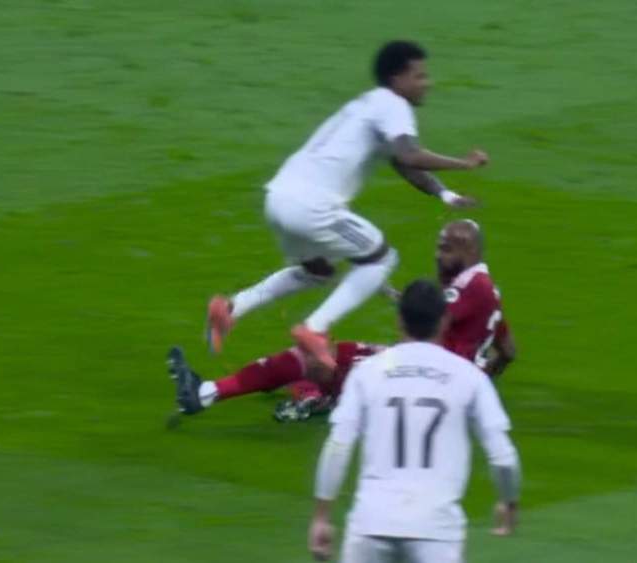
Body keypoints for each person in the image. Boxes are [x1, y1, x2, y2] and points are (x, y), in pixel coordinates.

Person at [205, 40, 489, 370]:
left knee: (318, 272)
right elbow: (410, 154)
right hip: (313, 206)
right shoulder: (393, 105)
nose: (427, 83)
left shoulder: (367, 105)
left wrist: (444, 194)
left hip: (278, 199)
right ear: (397, 79)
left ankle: (232, 308)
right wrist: (464, 164)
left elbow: (403, 164)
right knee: (382, 258)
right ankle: (315, 328)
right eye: (419, 76)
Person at [168, 221, 516, 420]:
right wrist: (480, 380)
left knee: (317, 357)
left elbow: (429, 322)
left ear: (471, 252)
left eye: (448, 250)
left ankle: (207, 393)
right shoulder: (485, 289)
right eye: (439, 248)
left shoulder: (469, 287)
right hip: (441, 381)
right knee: (334, 357)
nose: (439, 257)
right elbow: (508, 350)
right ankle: (317, 392)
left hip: (426, 382)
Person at [308, 280, 521, 562]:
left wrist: (321, 517)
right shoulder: (469, 377)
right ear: (445, 321)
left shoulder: (367, 372)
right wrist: (509, 501)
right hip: (436, 529)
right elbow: (503, 457)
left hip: (371, 523)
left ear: (399, 319)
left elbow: (338, 445)